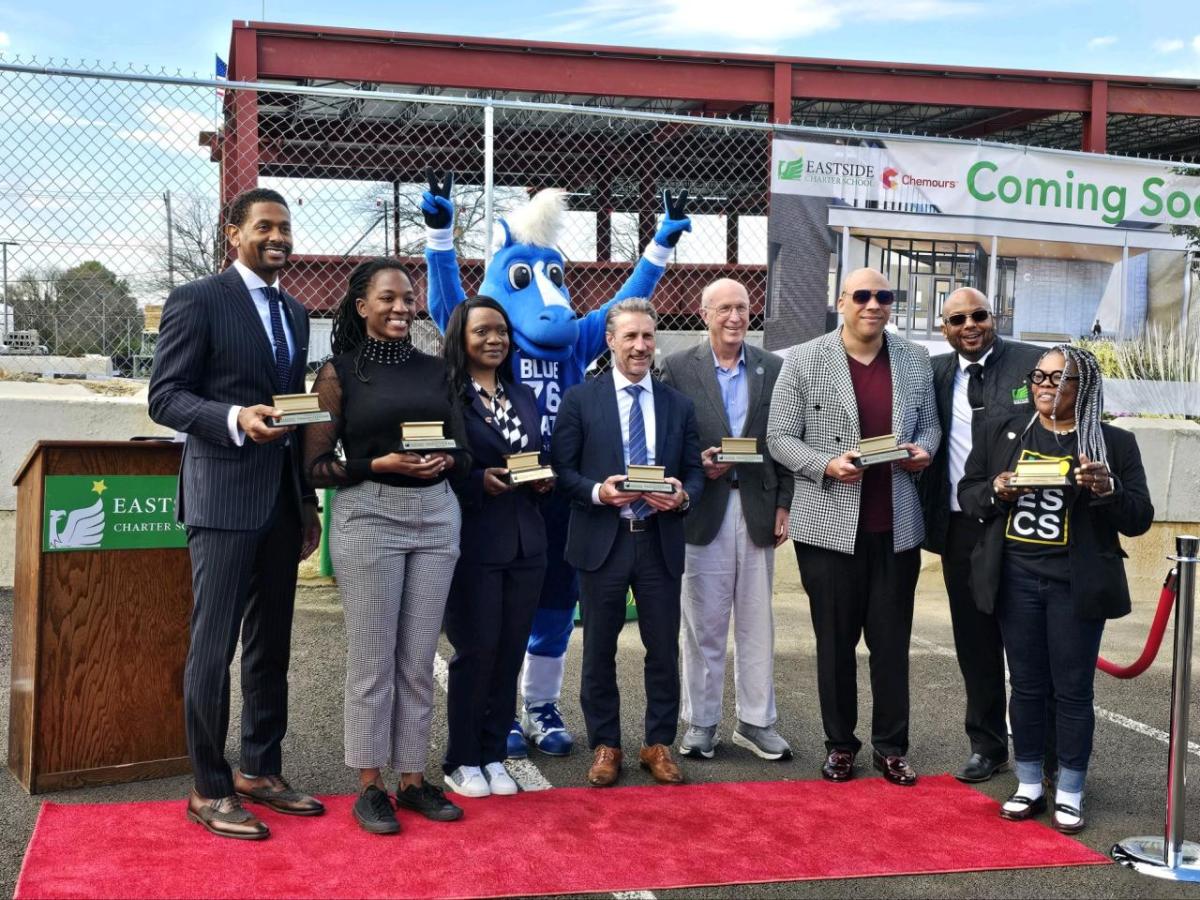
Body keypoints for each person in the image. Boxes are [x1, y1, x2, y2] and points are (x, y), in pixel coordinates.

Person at [148, 187, 324, 840]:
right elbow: (165, 397)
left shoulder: (297, 313)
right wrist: (233, 419)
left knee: (269, 646)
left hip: (279, 502)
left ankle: (259, 767)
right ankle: (208, 787)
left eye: (285, 227)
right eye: (264, 227)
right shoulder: (200, 300)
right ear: (234, 234)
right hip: (222, 501)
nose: (278, 237)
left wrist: (306, 504)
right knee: (213, 647)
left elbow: (290, 406)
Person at [303, 258, 469, 835]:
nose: (401, 307)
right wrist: (377, 463)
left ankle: (412, 779)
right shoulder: (338, 373)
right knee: (374, 657)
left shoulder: (438, 369)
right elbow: (317, 466)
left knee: (418, 657)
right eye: (388, 298)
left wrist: (448, 460)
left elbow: (466, 451)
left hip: (435, 517)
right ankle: (369, 785)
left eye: (408, 298)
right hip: (368, 515)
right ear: (362, 306)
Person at [958, 344, 1152, 833]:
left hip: (1074, 584)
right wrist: (998, 490)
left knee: (1072, 691)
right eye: (1039, 376)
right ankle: (1027, 784)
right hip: (1015, 578)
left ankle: (1069, 789)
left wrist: (1108, 491)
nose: (1044, 386)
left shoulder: (1114, 444)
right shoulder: (1003, 429)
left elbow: (1139, 519)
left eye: (1057, 379)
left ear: (1081, 388)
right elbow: (969, 493)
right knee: (1024, 686)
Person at [767, 267, 940, 787]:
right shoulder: (801, 359)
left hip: (897, 526)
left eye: (883, 296)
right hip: (829, 529)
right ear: (841, 301)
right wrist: (824, 465)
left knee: (891, 645)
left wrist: (922, 449)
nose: (873, 304)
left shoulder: (914, 359)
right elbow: (779, 437)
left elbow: (929, 422)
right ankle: (841, 744)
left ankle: (892, 748)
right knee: (835, 645)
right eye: (862, 295)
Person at [550, 298, 705, 787]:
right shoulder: (581, 400)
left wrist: (681, 497)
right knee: (598, 649)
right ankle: (606, 744)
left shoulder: (677, 405)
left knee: (663, 649)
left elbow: (696, 472)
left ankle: (657, 743)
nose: (640, 346)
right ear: (611, 341)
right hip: (605, 540)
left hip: (659, 541)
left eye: (648, 336)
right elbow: (562, 471)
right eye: (630, 337)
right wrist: (600, 492)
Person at [659, 278, 793, 761]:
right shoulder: (676, 368)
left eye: (742, 308)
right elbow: (665, 439)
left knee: (757, 623)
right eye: (724, 309)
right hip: (704, 508)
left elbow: (785, 440)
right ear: (704, 313)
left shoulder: (773, 368)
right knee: (703, 624)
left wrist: (785, 503)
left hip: (758, 506)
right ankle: (702, 723)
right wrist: (698, 463)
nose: (735, 317)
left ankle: (757, 722)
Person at [920, 288, 1045, 783]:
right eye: (956, 319)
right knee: (975, 643)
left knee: (1030, 643)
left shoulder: (1033, 363)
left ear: (994, 317)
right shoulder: (934, 374)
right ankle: (988, 745)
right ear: (943, 328)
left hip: (1022, 526)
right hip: (959, 526)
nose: (969, 325)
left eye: (978, 315)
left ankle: (1045, 750)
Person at [440, 297, 551, 798]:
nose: (494, 340)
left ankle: (492, 752)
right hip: (474, 540)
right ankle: (461, 758)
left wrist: (541, 477)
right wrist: (476, 481)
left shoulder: (521, 394)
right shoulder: (447, 397)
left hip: (527, 541)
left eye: (502, 332)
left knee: (509, 654)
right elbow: (443, 465)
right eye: (482, 331)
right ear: (461, 337)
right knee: (476, 651)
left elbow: (533, 455)